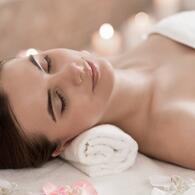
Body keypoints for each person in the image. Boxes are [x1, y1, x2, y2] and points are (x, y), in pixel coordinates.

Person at [1, 11, 195, 170]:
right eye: (60, 100)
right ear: (65, 144)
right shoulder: (181, 126)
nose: (73, 71)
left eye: (46, 63)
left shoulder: (142, 44)